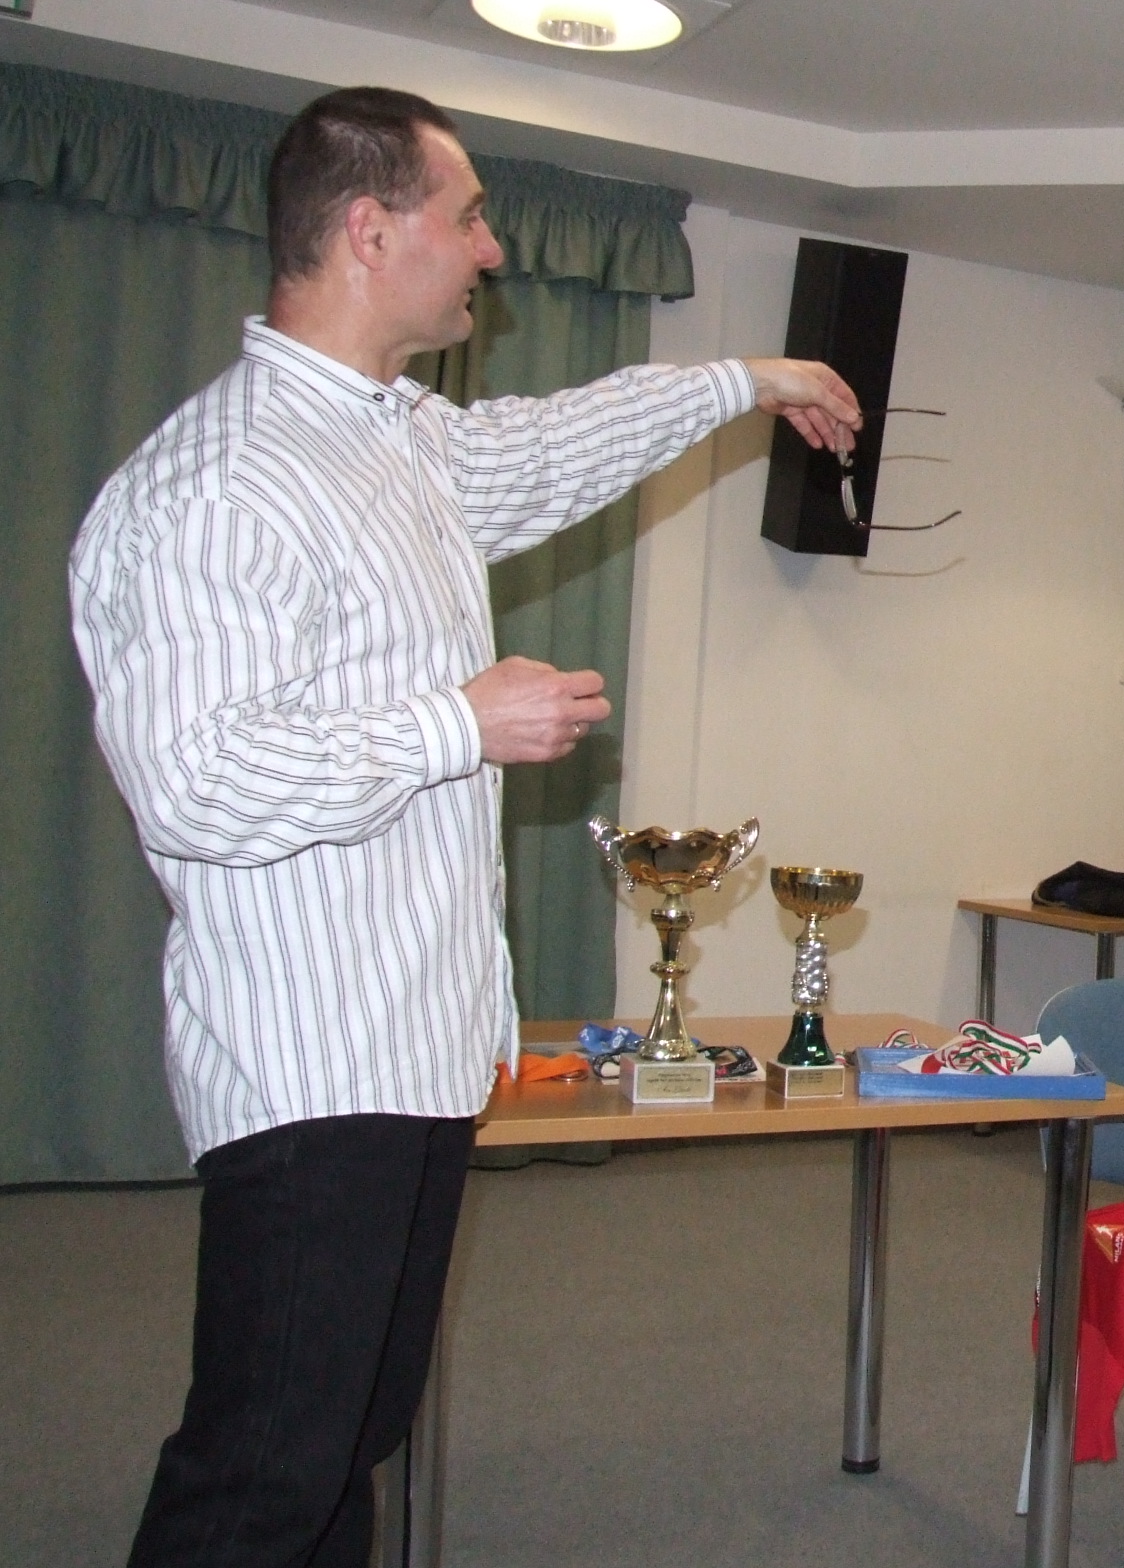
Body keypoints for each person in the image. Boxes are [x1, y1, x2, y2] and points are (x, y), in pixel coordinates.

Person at [69, 87, 863, 1568]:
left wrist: (744, 379)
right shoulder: (222, 484)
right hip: (311, 1071)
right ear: (371, 234)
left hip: (416, 1058)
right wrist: (458, 722)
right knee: (260, 1477)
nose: (492, 251)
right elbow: (193, 780)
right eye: (471, 216)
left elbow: (547, 449)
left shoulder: (399, 442)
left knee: (346, 1448)